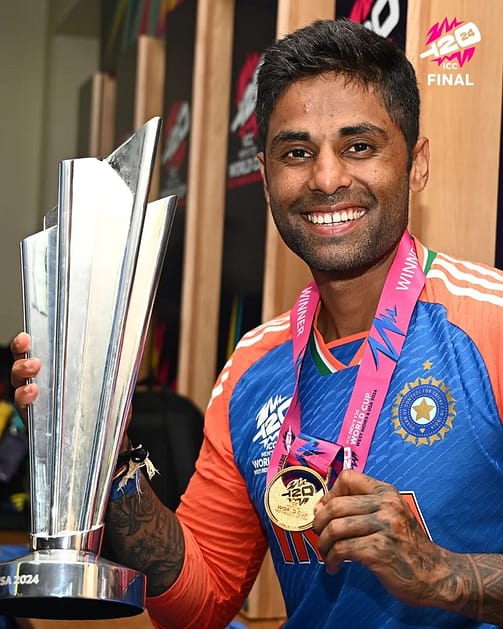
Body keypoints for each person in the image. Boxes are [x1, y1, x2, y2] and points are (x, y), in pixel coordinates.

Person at [10, 18, 503, 629]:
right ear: (266, 178)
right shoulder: (252, 366)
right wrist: (100, 452)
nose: (327, 179)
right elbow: (202, 601)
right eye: (297, 153)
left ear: (416, 164)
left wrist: (440, 572)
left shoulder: (489, 326)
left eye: (359, 146)